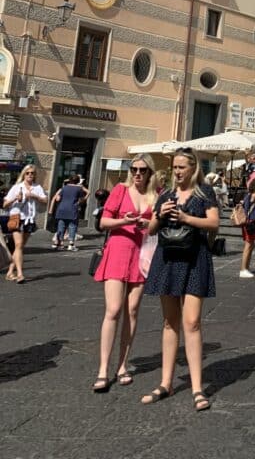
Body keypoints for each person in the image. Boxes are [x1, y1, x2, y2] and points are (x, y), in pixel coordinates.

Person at [142, 147, 219, 411]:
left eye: (182, 167)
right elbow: (151, 228)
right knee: (169, 322)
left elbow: (214, 223)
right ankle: (166, 382)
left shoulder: (204, 192)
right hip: (167, 259)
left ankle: (197, 388)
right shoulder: (165, 194)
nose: (177, 172)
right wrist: (161, 214)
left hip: (195, 259)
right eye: (174, 167)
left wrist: (187, 218)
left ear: (193, 167)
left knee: (193, 322)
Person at [92, 154, 157, 392]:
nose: (137, 174)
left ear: (150, 172)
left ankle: (122, 365)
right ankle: (103, 369)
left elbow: (158, 224)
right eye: (134, 169)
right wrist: (124, 222)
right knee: (113, 310)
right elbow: (103, 223)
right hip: (118, 252)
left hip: (142, 256)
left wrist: (147, 225)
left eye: (142, 170)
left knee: (131, 311)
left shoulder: (156, 193)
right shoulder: (120, 189)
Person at [3, 164, 48, 284]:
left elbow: (45, 200)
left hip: (30, 219)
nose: (30, 175)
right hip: (17, 217)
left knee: (20, 247)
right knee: (18, 245)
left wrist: (34, 195)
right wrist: (15, 199)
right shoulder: (17, 187)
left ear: (35, 175)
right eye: (27, 173)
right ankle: (20, 274)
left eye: (32, 173)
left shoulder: (37, 187)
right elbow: (5, 205)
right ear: (24, 174)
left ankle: (9, 272)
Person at [50, 174, 89, 251]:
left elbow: (58, 198)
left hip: (61, 209)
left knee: (61, 227)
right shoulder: (78, 189)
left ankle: (58, 243)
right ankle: (71, 244)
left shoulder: (64, 188)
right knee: (72, 226)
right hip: (72, 209)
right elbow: (81, 199)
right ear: (78, 181)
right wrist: (83, 200)